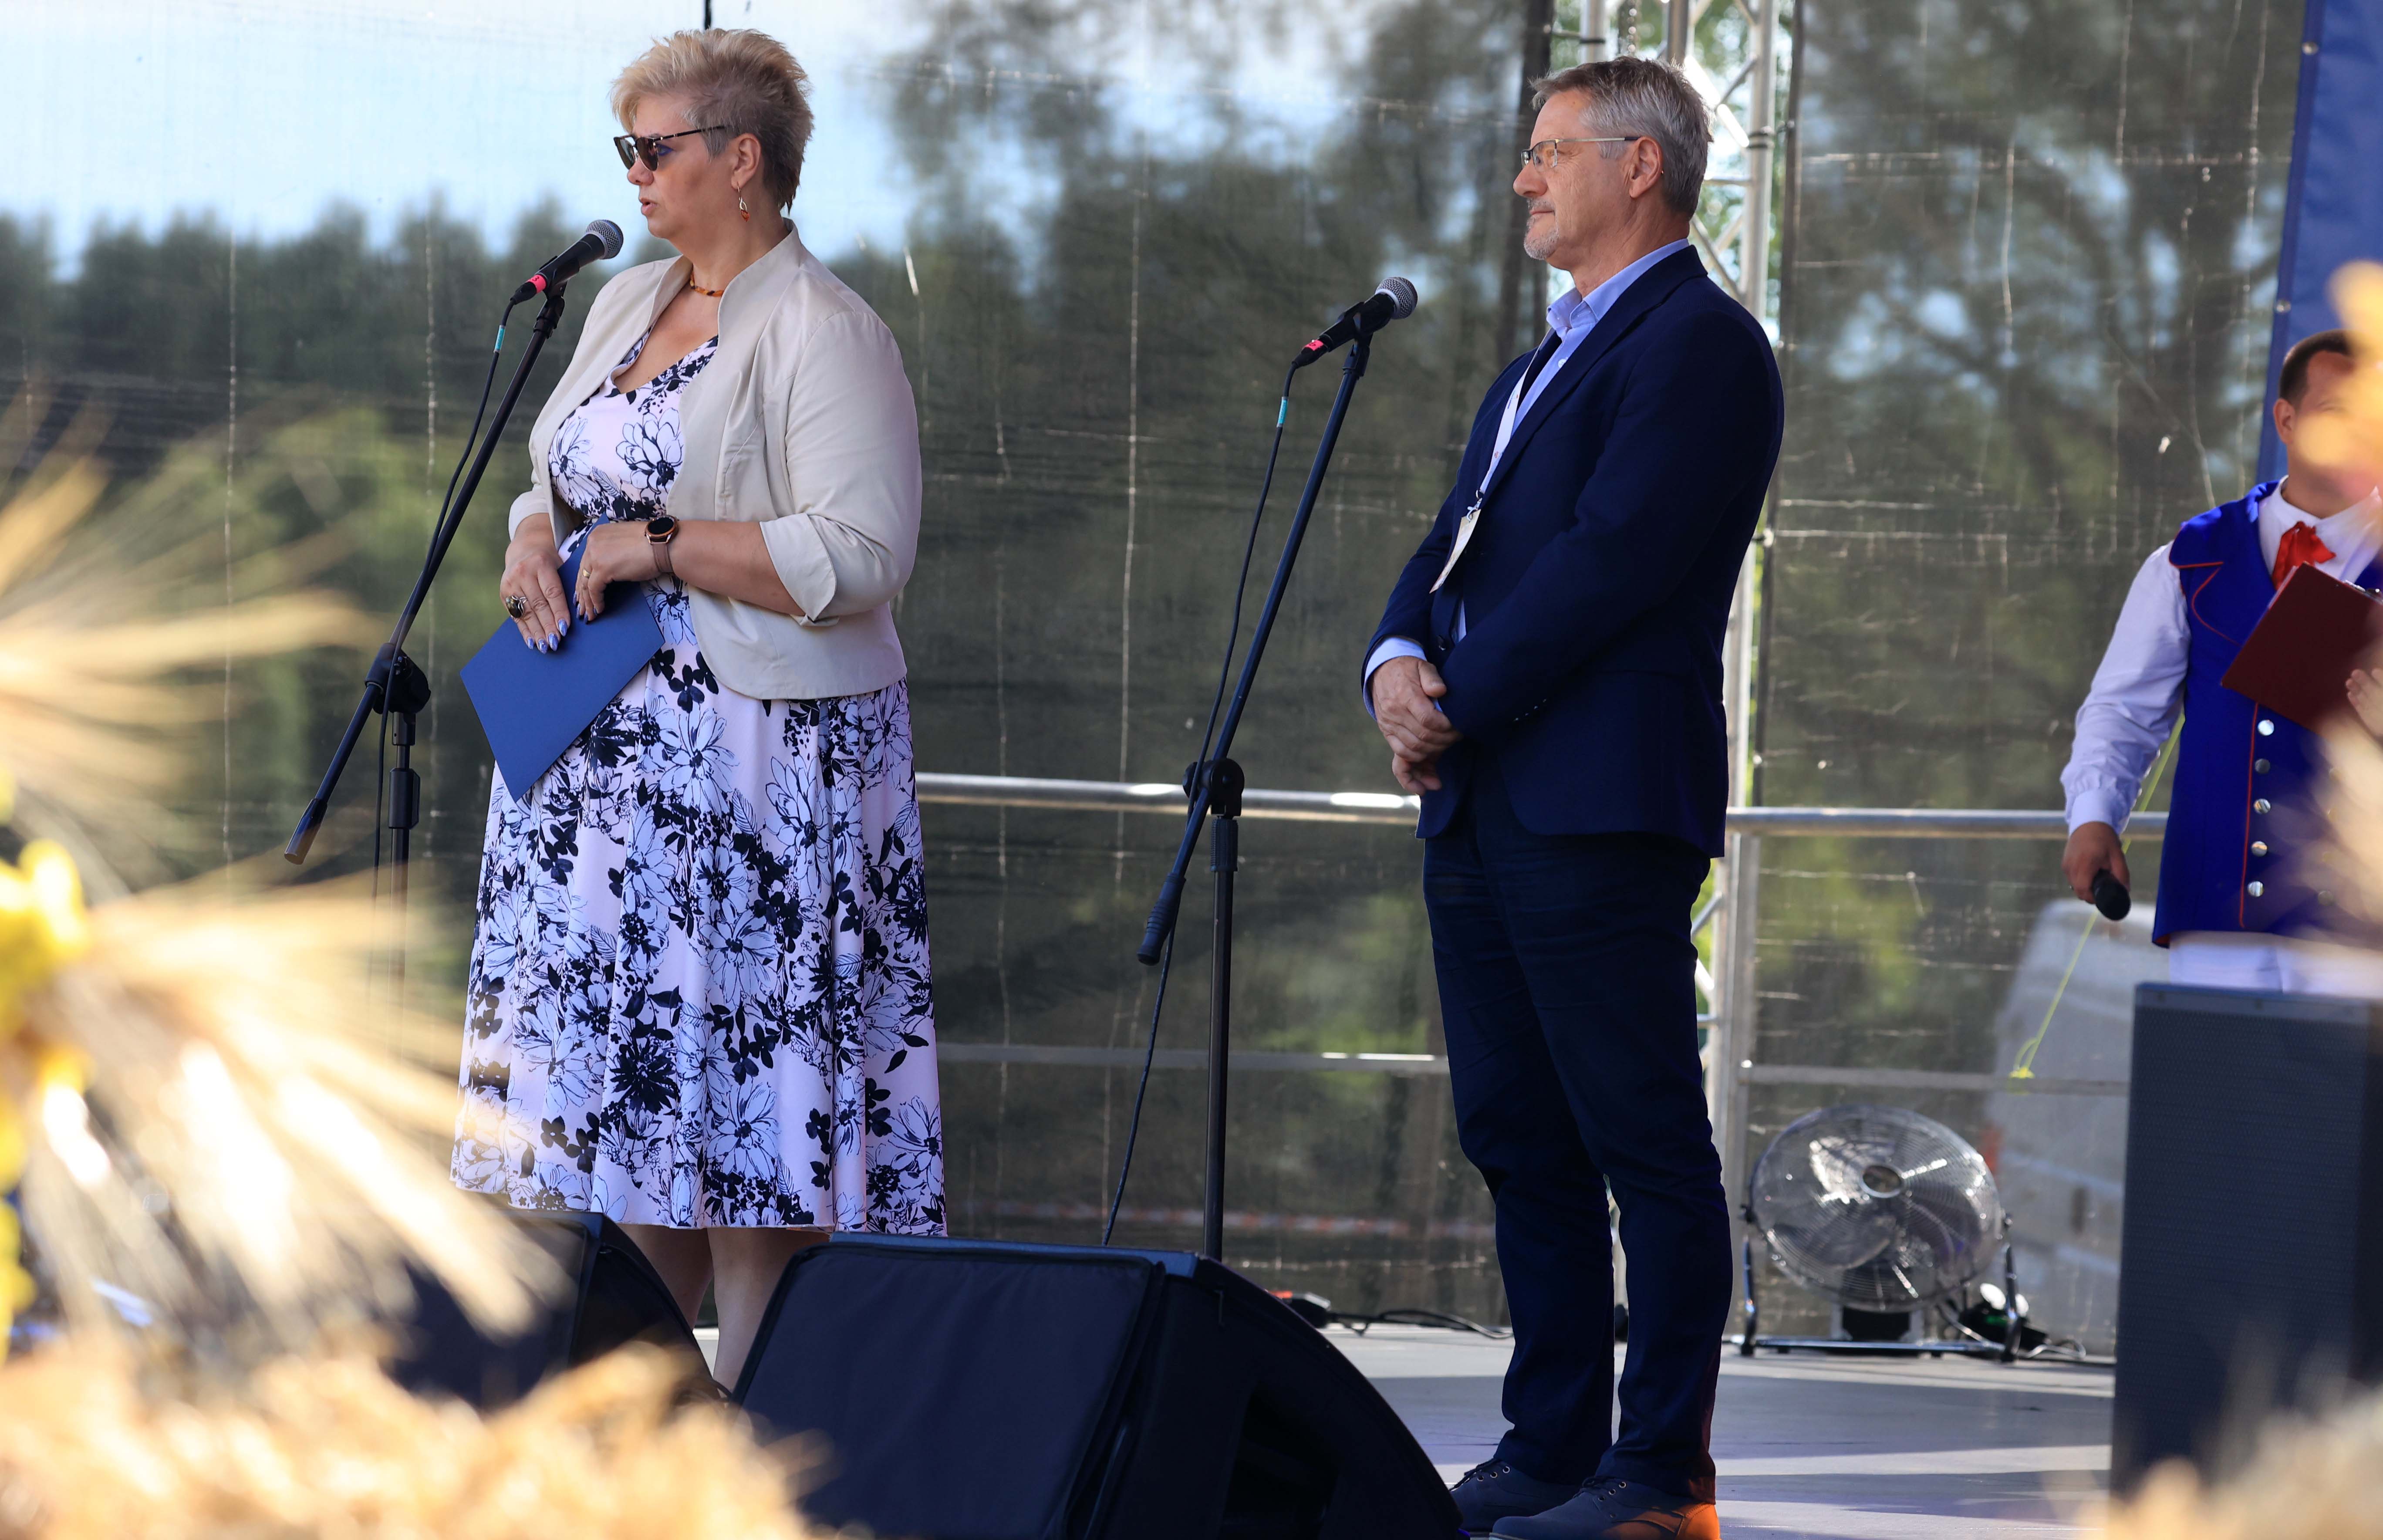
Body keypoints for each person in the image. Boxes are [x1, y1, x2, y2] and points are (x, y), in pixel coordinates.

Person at [449, 28, 940, 1390]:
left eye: (655, 148)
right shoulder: (627, 301)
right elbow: (562, 471)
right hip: (598, 777)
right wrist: (533, 536)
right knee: (630, 1145)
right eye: (628, 148)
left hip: (750, 778)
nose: (635, 173)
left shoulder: (827, 330)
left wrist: (659, 545)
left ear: (742, 160)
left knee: (750, 1146)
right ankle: (624, 1433)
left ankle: (755, 1443)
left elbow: (862, 554)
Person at [1363, 56, 1782, 1540]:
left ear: (1639, 166)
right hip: (1485, 796)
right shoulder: (1539, 360)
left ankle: (1660, 1474)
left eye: (1550, 151)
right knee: (1517, 1133)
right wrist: (1395, 660)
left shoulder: (1701, 344)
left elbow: (1613, 558)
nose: (1524, 178)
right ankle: (1551, 1448)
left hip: (1595, 799)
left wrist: (1457, 700)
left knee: (1640, 1139)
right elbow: (1452, 542)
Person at [2061, 328, 2383, 997]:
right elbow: (2123, 710)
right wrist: (2094, 816)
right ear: (2286, 421)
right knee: (2218, 1069)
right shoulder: (2191, 557)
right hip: (2215, 914)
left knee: (2347, 1074)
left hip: (2362, 930)